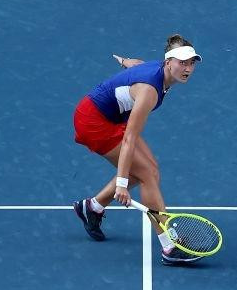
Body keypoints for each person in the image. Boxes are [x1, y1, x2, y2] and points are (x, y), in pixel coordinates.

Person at [71, 34, 202, 264]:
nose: (188, 68)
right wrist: (122, 183)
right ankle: (170, 247)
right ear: (168, 62)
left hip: (110, 118)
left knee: (150, 169)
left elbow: (136, 65)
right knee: (147, 174)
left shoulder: (158, 71)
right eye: (182, 62)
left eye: (191, 62)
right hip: (93, 122)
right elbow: (130, 137)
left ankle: (92, 207)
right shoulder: (149, 92)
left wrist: (125, 61)